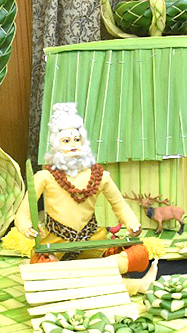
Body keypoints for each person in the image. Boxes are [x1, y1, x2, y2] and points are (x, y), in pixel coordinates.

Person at [13, 102, 150, 275]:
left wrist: (132, 223)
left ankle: (79, 272)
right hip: (56, 245)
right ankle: (98, 272)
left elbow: (119, 205)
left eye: (77, 139)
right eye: (66, 140)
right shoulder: (45, 177)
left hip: (94, 243)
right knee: (41, 268)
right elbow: (22, 214)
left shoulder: (100, 176)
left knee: (140, 254)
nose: (73, 144)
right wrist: (27, 227)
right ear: (56, 145)